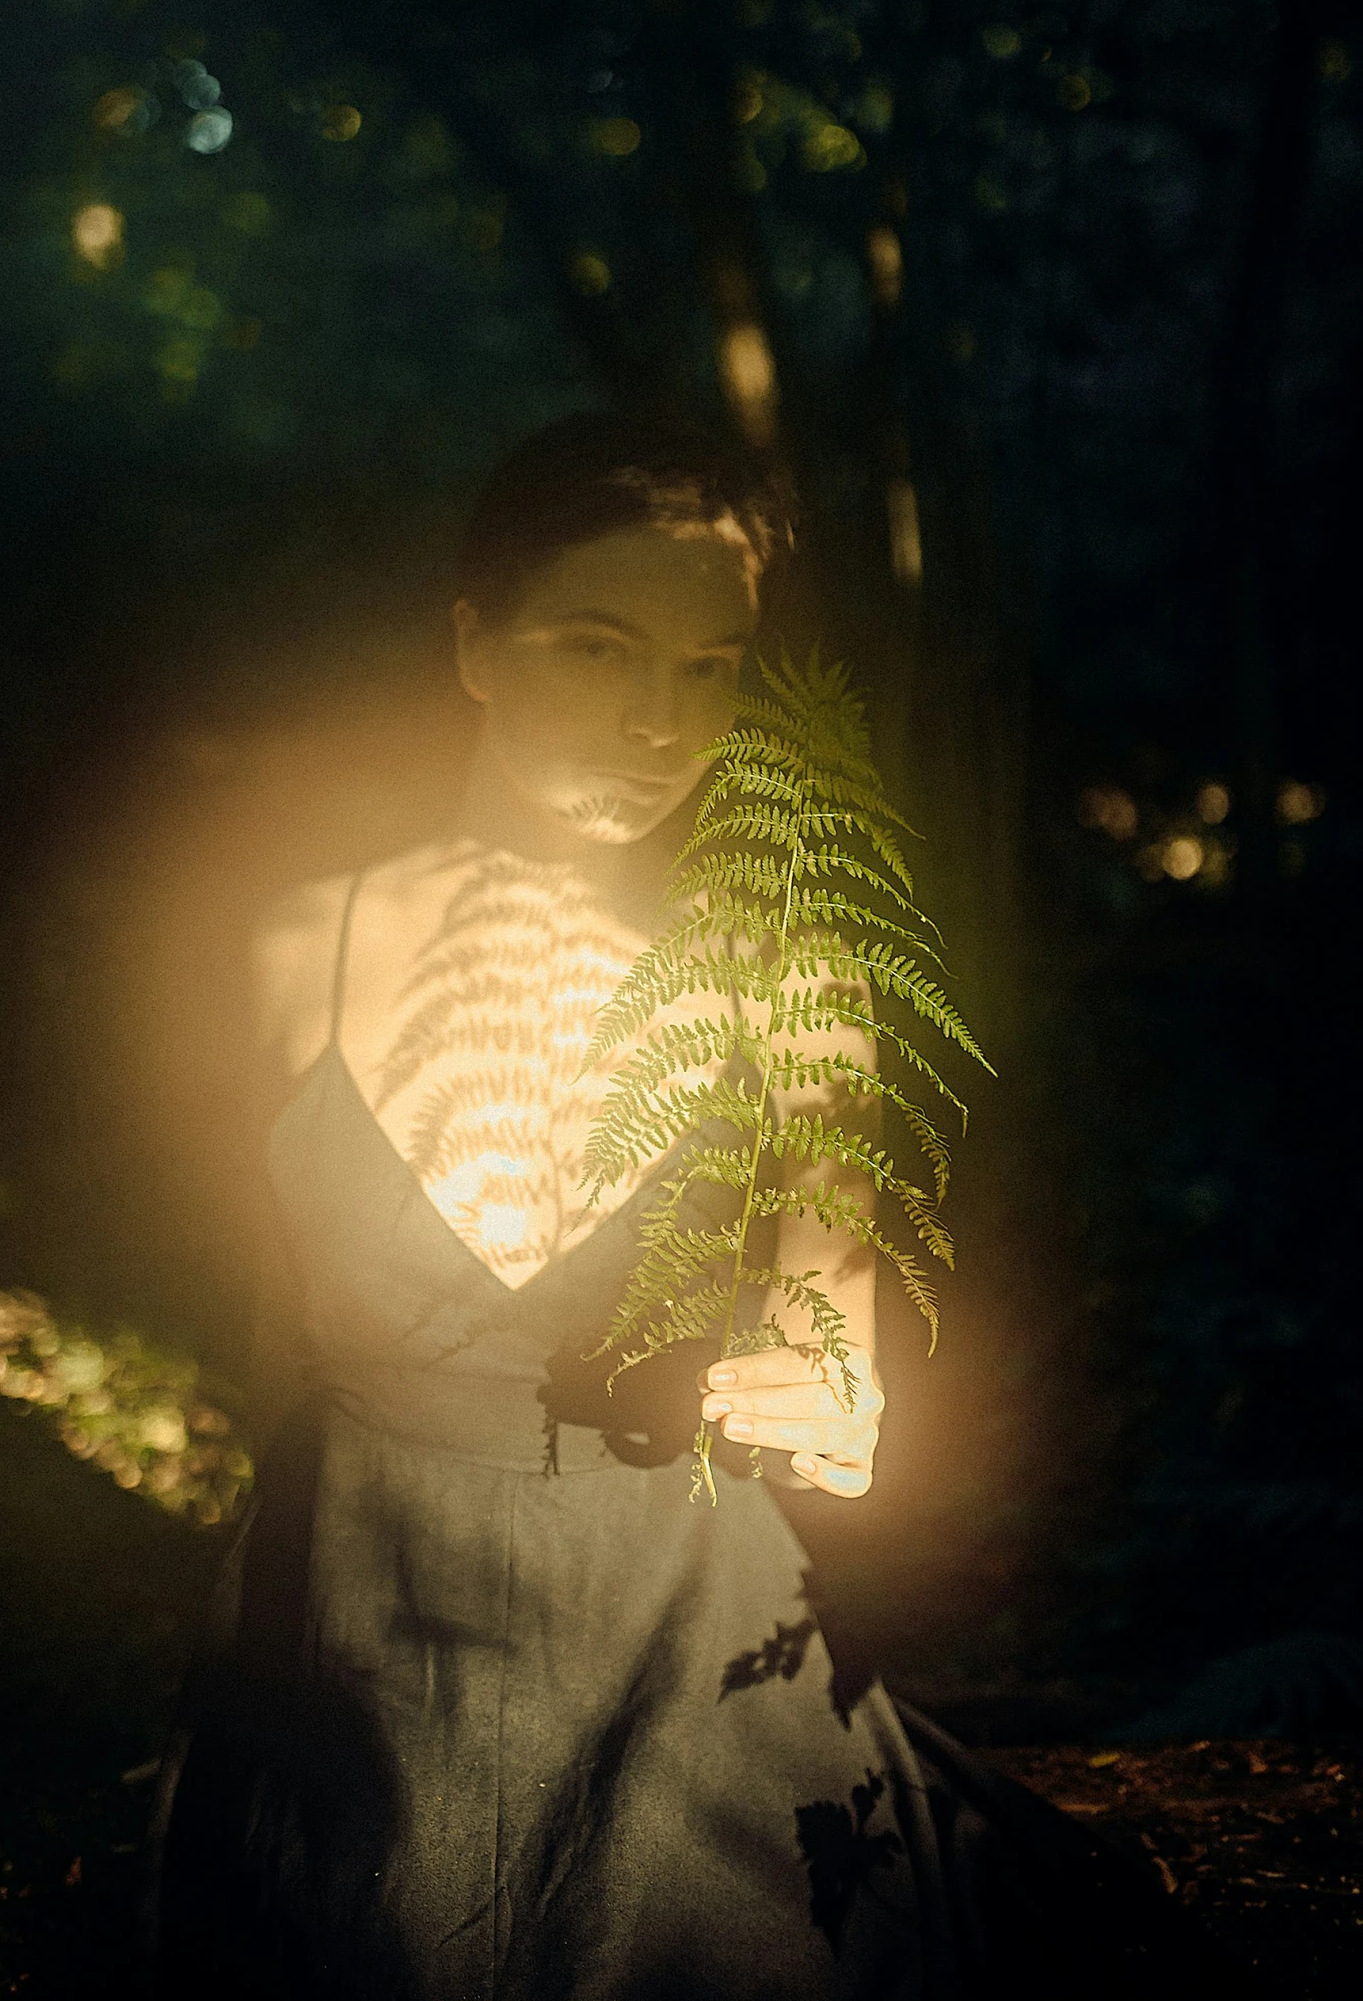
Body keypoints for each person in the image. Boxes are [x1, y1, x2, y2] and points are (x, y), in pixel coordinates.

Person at [146, 411, 1232, 2000]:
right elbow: (272, 1337)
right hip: (357, 1656)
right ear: (475, 645)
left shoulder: (792, 977)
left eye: (708, 668)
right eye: (598, 648)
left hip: (677, 1672)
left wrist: (844, 1411)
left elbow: (837, 1334)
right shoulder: (289, 949)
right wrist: (264, 1668)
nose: (660, 719)